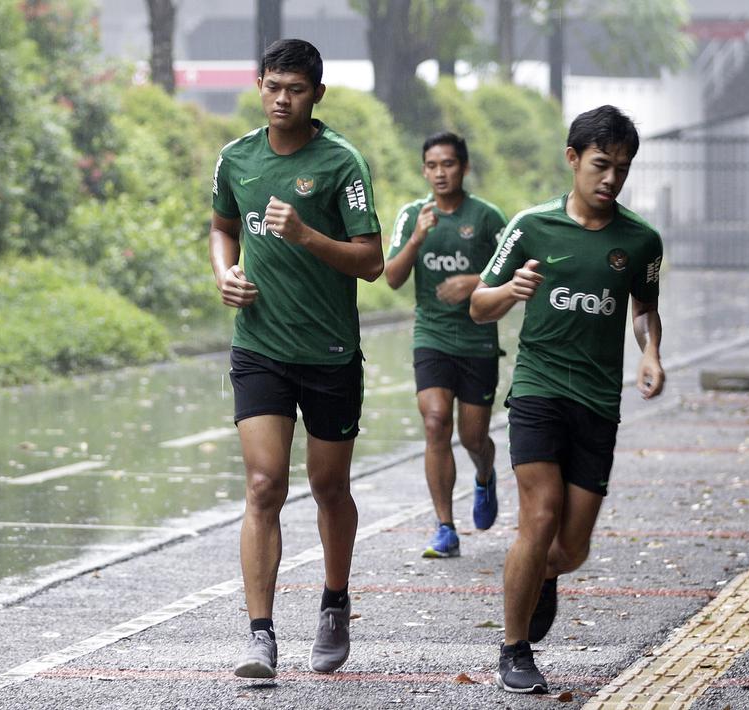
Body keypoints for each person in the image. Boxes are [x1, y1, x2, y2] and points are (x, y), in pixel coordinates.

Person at [470, 105, 664, 694]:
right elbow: (479, 302)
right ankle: (513, 647)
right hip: (538, 390)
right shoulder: (531, 226)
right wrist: (508, 291)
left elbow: (645, 310)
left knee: (571, 548)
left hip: (598, 402)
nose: (611, 179)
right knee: (540, 511)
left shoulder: (640, 240)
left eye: (622, 169)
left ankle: (544, 576)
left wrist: (651, 353)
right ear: (573, 159)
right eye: (601, 165)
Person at [209, 38, 384, 678]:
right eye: (274, 86)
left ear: (316, 95)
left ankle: (334, 601)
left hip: (330, 351)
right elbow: (223, 226)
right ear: (259, 85)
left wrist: (305, 234)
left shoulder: (341, 164)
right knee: (264, 485)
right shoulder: (237, 158)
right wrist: (225, 273)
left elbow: (371, 262)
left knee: (328, 487)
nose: (283, 99)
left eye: (297, 89)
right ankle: (260, 635)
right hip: (260, 347)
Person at [385, 132, 507, 558]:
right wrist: (417, 238)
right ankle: (444, 527)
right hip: (432, 337)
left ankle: (485, 475)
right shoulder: (412, 215)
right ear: (424, 170)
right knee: (436, 422)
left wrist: (475, 281)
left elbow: (518, 271)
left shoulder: (488, 218)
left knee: (474, 437)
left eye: (449, 164)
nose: (441, 173)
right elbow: (393, 277)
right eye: (433, 166)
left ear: (464, 168)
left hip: (477, 339)